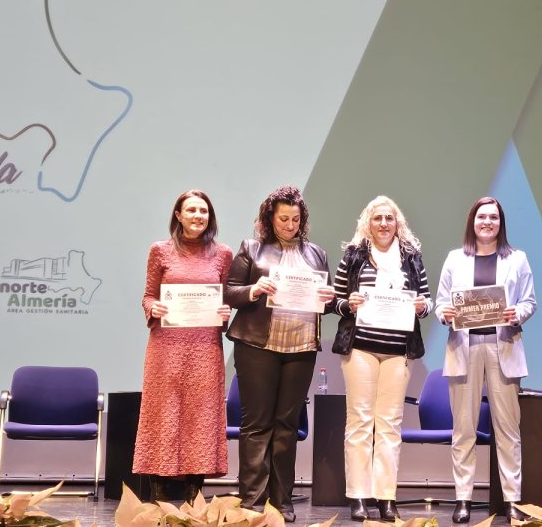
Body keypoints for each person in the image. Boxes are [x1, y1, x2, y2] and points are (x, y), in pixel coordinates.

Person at [224, 185, 335, 522]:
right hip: (257, 345)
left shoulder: (316, 254)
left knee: (286, 425)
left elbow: (323, 303)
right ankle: (252, 501)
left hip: (301, 346)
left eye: (295, 219)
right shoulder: (251, 248)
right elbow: (229, 292)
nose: (289, 224)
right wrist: (254, 289)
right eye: (283, 218)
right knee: (257, 424)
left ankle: (282, 500)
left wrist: (329, 299)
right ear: (270, 219)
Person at [435, 197, 538, 523]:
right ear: (473, 221)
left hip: (502, 347)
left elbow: (529, 301)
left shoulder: (517, 259)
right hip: (463, 349)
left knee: (508, 430)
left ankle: (511, 500)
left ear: (500, 223)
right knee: (463, 429)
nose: (488, 222)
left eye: (494, 217)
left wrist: (516, 312)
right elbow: (440, 304)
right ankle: (464, 499)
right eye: (482, 217)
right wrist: (445, 313)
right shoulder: (455, 258)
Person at [331, 196, 431, 522]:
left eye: (389, 218)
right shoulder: (354, 255)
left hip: (398, 352)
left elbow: (426, 300)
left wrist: (422, 307)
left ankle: (386, 497)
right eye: (378, 218)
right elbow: (335, 300)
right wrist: (350, 304)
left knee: (389, 426)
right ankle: (358, 496)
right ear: (368, 223)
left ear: (397, 222)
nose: (384, 224)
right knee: (359, 422)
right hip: (360, 349)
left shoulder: (412, 258)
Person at [133, 189, 234, 505]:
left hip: (205, 347)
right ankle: (159, 487)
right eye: (191, 210)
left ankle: (195, 487)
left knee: (200, 415)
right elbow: (149, 295)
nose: (198, 216)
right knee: (163, 413)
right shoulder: (159, 251)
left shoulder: (223, 254)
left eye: (203, 211)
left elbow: (225, 299)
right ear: (178, 215)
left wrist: (224, 312)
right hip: (166, 347)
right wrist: (155, 309)